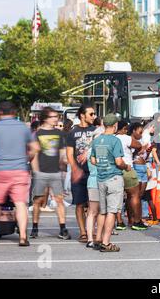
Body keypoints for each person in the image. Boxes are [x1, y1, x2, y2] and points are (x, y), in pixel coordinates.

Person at [0, 101, 40, 246]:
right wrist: (27, 157)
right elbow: (35, 148)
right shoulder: (23, 128)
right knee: (20, 203)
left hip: (0, 170)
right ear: (14, 113)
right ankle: (22, 236)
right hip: (20, 170)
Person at [30, 107, 70, 240]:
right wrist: (36, 171)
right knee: (38, 201)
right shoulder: (38, 133)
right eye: (53, 116)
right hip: (41, 172)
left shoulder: (59, 134)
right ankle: (35, 228)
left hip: (55, 173)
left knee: (59, 200)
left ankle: (63, 228)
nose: (56, 118)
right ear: (46, 118)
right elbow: (34, 154)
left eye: (56, 116)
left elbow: (62, 153)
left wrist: (65, 163)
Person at [91, 114, 129, 252]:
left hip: (101, 178)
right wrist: (126, 167)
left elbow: (93, 160)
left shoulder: (97, 140)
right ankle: (106, 242)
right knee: (112, 212)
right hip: (113, 178)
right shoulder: (115, 140)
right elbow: (119, 162)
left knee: (102, 211)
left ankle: (98, 239)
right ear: (115, 126)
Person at [66, 104, 96, 243]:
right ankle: (83, 232)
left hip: (93, 172)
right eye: (91, 114)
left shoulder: (96, 131)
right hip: (79, 173)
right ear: (82, 115)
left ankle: (92, 230)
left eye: (94, 114)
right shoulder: (73, 132)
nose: (94, 116)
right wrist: (75, 169)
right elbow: (69, 153)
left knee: (92, 203)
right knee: (79, 203)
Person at [115, 120, 146, 231]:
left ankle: (119, 222)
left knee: (118, 197)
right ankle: (136, 221)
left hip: (114, 170)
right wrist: (135, 151)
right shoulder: (125, 138)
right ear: (123, 129)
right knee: (134, 195)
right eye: (126, 128)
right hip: (127, 168)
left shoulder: (111, 138)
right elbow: (139, 144)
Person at [131, 122, 150, 230]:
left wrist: (147, 150)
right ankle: (135, 219)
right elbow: (131, 154)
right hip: (136, 168)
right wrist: (142, 149)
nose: (141, 134)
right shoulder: (131, 140)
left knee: (141, 194)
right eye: (140, 132)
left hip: (143, 167)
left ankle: (139, 217)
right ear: (133, 131)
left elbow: (145, 155)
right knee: (136, 195)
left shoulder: (141, 140)